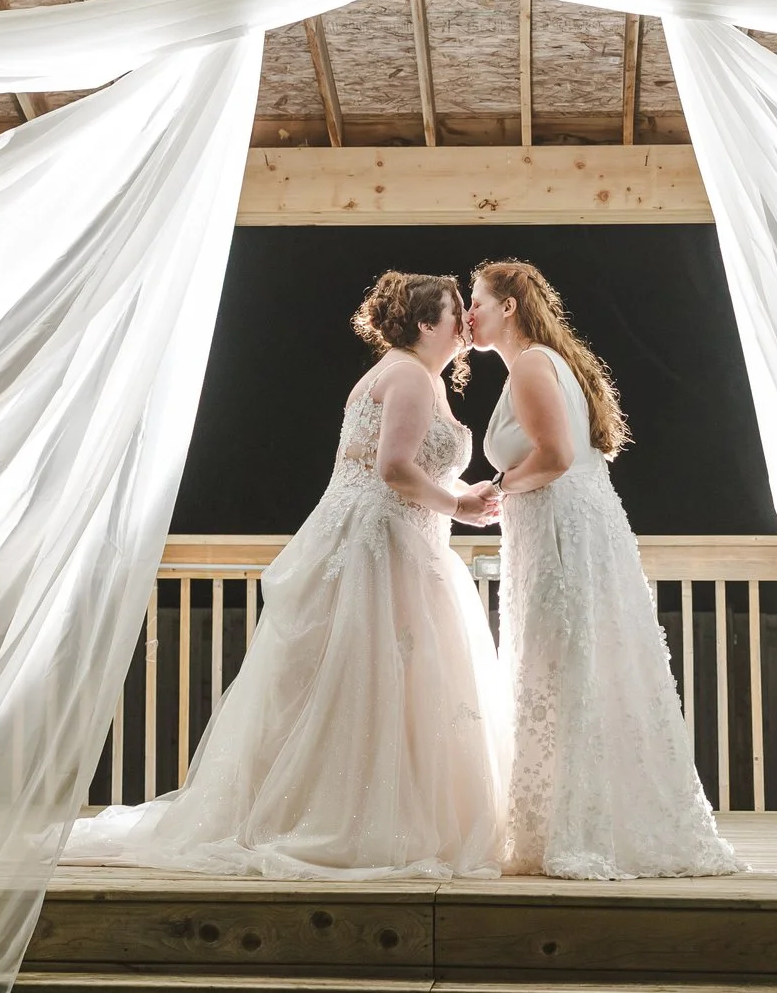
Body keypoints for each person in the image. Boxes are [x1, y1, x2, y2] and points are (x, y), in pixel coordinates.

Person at [65, 272, 509, 878]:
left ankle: (369, 809)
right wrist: (460, 506)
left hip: (395, 539)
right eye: (457, 312)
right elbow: (395, 470)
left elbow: (406, 469)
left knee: (391, 680)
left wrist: (465, 495)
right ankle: (347, 819)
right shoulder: (406, 375)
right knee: (372, 677)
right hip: (380, 546)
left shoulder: (414, 375)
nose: (464, 322)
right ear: (429, 323)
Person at [467, 259, 741, 880]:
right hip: (563, 528)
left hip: (563, 532)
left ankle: (581, 830)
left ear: (508, 306)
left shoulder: (534, 364)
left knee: (566, 665)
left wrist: (496, 490)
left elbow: (558, 457)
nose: (469, 313)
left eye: (477, 301)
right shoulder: (537, 363)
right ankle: (577, 820)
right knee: (570, 667)